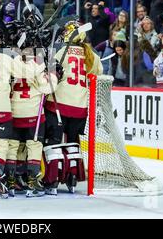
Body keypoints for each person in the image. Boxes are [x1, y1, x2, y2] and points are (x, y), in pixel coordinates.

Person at [0, 23, 44, 200]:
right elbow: (26, 72)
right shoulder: (6, 57)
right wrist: (41, 61)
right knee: (0, 147)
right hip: (1, 110)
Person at [44, 21, 103, 195]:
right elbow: (96, 75)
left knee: (53, 142)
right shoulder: (91, 55)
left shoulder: (61, 52)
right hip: (80, 107)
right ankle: (72, 179)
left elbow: (51, 76)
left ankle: (52, 181)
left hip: (59, 104)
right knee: (72, 142)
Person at [7, 46, 56, 197]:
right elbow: (49, 89)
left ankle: (10, 181)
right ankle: (32, 182)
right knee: (34, 146)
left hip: (14, 112)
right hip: (33, 113)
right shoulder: (38, 67)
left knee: (13, 146)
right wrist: (53, 73)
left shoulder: (11, 64)